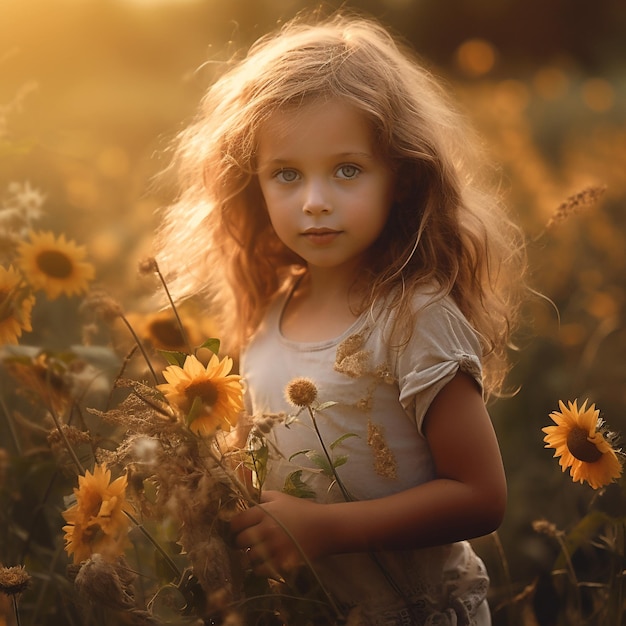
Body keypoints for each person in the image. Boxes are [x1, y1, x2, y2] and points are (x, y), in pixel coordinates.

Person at [154, 12, 526, 626]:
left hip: (417, 612)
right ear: (255, 184)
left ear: (401, 177)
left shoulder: (413, 316)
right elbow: (258, 460)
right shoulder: (269, 314)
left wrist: (325, 528)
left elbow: (481, 498)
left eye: (347, 169)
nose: (315, 200)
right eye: (287, 174)